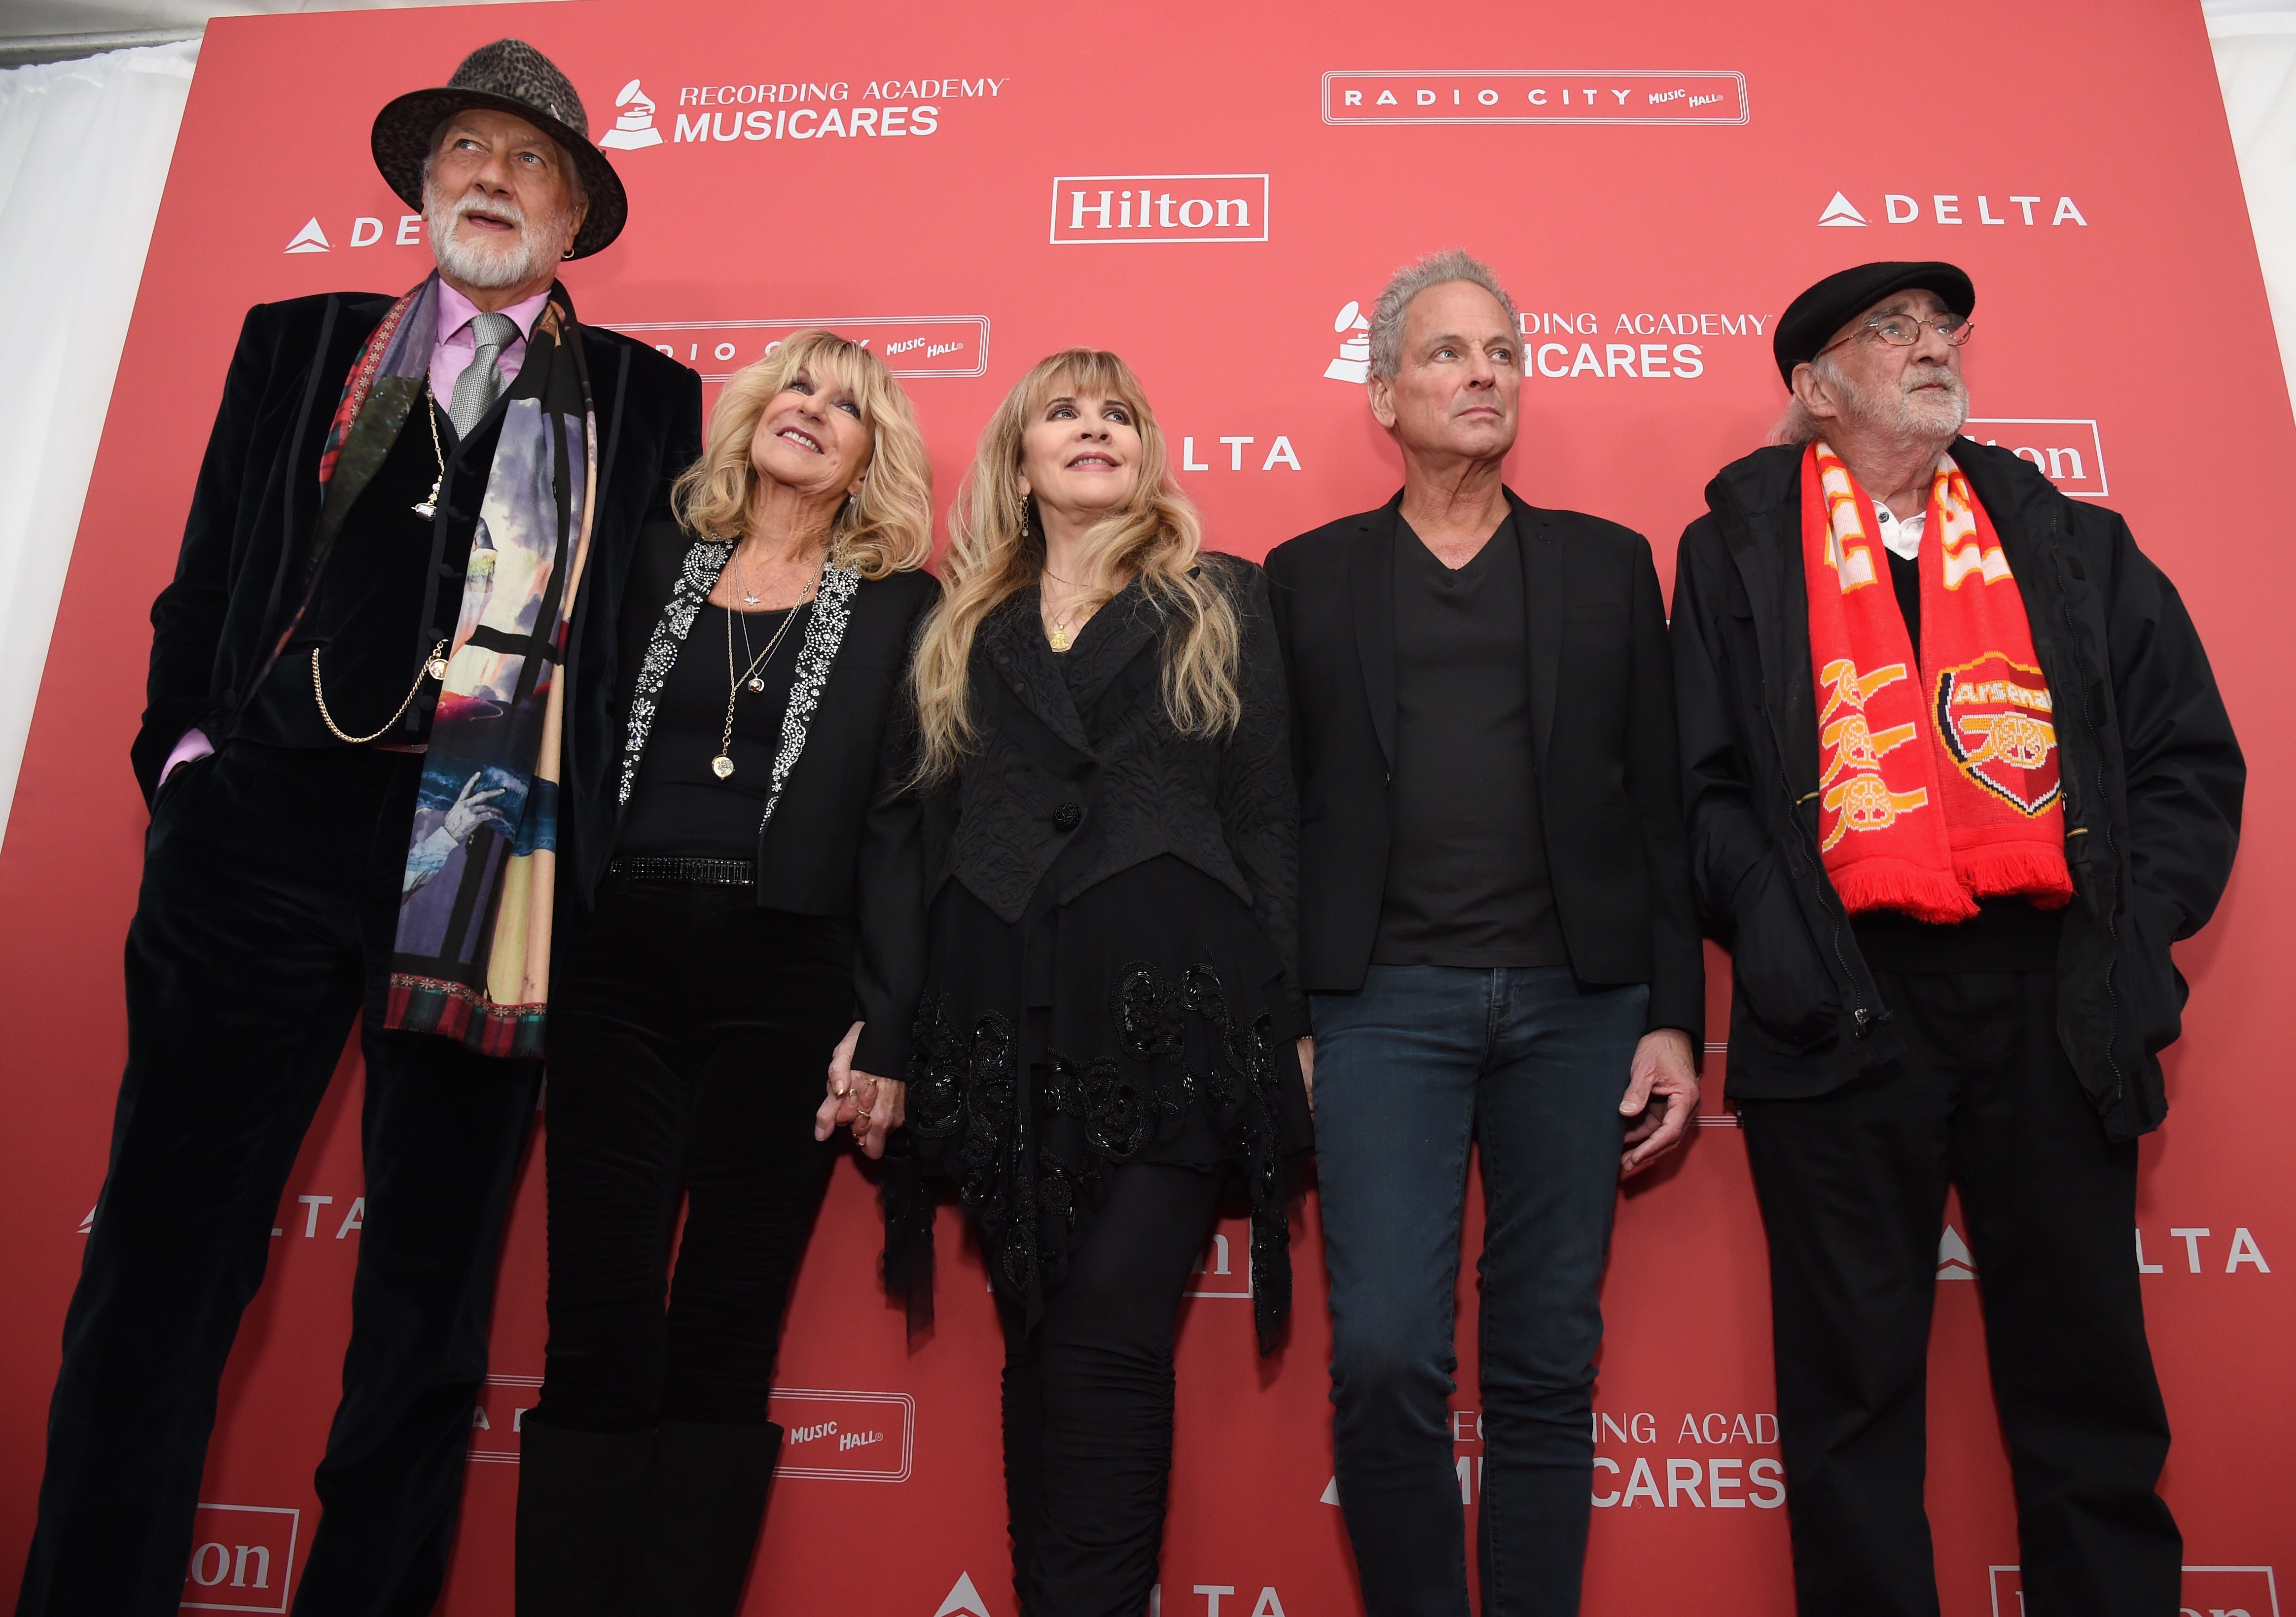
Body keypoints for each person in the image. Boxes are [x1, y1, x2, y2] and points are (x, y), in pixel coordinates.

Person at [17, 41, 703, 1617]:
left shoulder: (648, 404)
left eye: (528, 160)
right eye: (465, 148)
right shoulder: (303, 342)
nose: (490, 176)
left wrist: (577, 859)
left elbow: (637, 659)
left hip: (484, 846)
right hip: (258, 835)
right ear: (419, 181)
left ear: (577, 208)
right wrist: (189, 763)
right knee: (161, 1268)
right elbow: (207, 575)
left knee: (426, 1305)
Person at [1670, 260, 2244, 1617]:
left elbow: (2187, 765)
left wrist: (2128, 931)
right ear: (1814, 390)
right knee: (1851, 1400)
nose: (1931, 347)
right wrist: (1784, 930)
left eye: (1942, 329)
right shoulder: (1737, 551)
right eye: (1892, 332)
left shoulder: (2069, 541)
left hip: (2053, 999)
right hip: (1846, 1004)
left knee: (2086, 1382)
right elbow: (1699, 793)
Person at [818, 348, 1312, 1617]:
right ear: (1018, 457)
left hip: (1178, 1019)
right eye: (1064, 410)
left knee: (1103, 1340)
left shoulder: (1223, 597)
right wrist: (887, 1029)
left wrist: (1290, 1023)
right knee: (1035, 1338)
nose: (1094, 428)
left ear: (1148, 450)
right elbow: (913, 834)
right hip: (996, 1018)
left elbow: (1267, 821)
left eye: (1119, 412)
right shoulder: (954, 617)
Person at [1263, 248, 1703, 1617]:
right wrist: (1286, 1019)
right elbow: (1273, 818)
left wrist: (1675, 1014)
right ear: (1384, 391)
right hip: (1381, 1005)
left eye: (1504, 352)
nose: (1485, 375)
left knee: (1546, 1358)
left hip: (1579, 1009)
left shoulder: (1609, 565)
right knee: (1387, 1352)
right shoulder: (1304, 576)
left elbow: (1662, 808)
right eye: (1451, 353)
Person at [514, 333, 938, 1616]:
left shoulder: (903, 607)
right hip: (613, 962)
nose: (812, 411)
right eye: (794, 388)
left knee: (727, 1325)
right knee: (597, 1316)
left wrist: (889, 1029)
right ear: (751, 415)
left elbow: (905, 831)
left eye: (847, 406)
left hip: (792, 976)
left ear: (871, 460)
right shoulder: (643, 565)